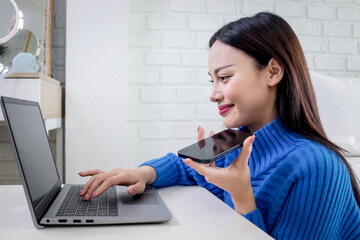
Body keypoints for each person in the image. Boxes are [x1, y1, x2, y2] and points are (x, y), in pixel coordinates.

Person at [78, 12, 360, 239]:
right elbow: (183, 165)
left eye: (224, 77)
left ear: (273, 72)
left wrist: (242, 195)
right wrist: (140, 173)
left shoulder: (317, 166)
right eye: (211, 80)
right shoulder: (235, 138)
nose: (213, 94)